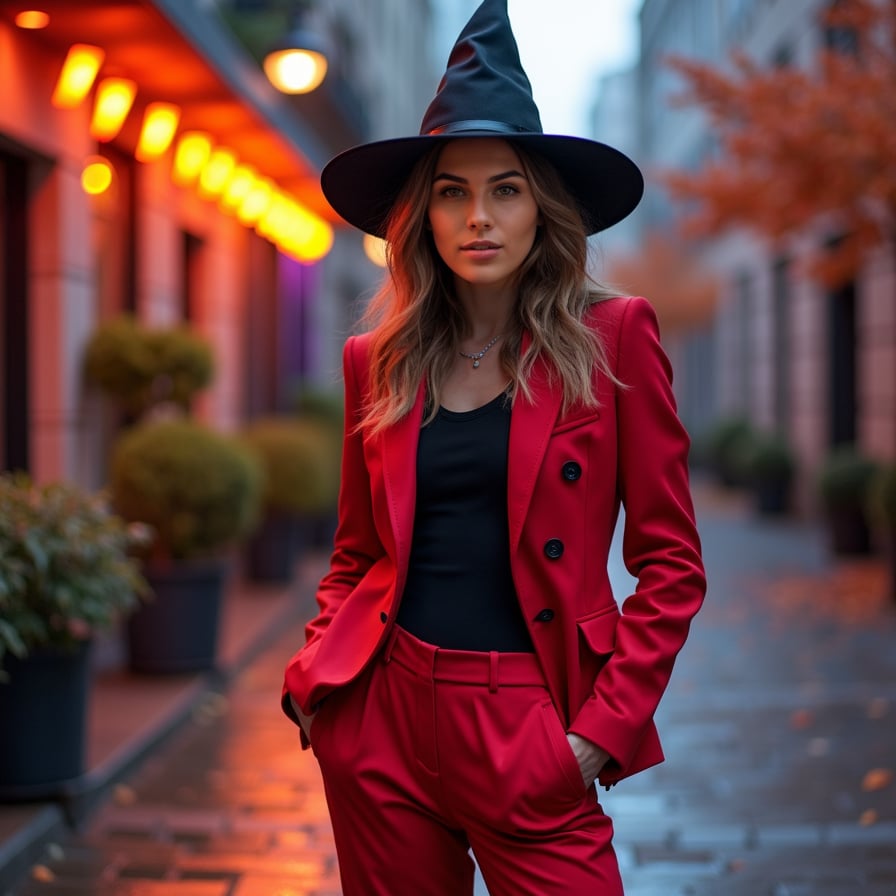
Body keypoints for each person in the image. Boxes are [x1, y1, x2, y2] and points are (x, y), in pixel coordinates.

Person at [281, 1, 706, 893]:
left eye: (505, 188)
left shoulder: (614, 337)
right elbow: (358, 551)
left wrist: (601, 729)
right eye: (452, 190)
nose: (479, 216)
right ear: (422, 216)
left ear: (541, 208)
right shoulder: (378, 360)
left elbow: (671, 562)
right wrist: (323, 689)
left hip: (533, 723)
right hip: (383, 719)